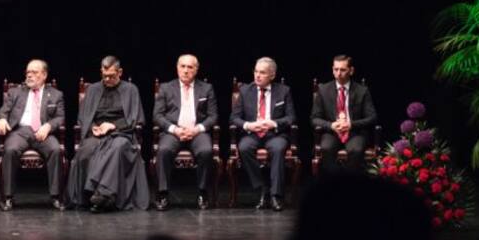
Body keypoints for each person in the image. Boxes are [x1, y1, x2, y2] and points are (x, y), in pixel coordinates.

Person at [66, 56, 149, 212]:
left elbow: (136, 118)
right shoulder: (92, 90)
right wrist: (93, 127)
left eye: (112, 76)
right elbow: (83, 117)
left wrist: (112, 126)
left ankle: (103, 193)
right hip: (97, 134)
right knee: (85, 152)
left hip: (122, 133)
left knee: (117, 148)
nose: (108, 79)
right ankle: (90, 194)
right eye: (104, 76)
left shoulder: (131, 90)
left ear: (120, 72)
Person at [0, 59, 65, 211]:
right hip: (20, 131)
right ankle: (8, 197)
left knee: (56, 150)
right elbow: (2, 111)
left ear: (44, 75)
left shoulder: (56, 95)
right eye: (28, 72)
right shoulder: (16, 92)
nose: (30, 75)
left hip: (43, 132)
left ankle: (55, 196)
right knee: (10, 150)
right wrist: (0, 120)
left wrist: (48, 126)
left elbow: (60, 117)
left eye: (34, 72)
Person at [152, 54, 217, 210]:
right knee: (164, 150)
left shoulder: (206, 88)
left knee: (206, 150)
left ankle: (202, 192)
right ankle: (163, 193)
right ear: (177, 68)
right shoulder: (166, 88)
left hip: (197, 132)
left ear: (196, 69)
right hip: (174, 132)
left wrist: (196, 130)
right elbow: (157, 115)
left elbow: (213, 116)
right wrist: (175, 130)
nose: (186, 70)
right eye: (183, 66)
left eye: (190, 67)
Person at [230, 57, 295, 211]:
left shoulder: (284, 91)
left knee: (278, 149)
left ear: (272, 75)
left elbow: (291, 117)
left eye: (262, 73)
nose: (257, 75)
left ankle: (276, 195)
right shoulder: (245, 90)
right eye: (256, 71)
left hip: (275, 134)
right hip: (252, 134)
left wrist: (274, 123)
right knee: (244, 148)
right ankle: (262, 188)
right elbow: (234, 117)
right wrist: (249, 125)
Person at [311, 54, 377, 174]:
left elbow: (372, 117)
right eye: (336, 69)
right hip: (332, 132)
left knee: (356, 150)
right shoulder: (323, 90)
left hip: (354, 132)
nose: (338, 73)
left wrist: (351, 124)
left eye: (343, 70)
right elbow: (314, 118)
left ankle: (348, 185)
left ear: (351, 71)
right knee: (326, 148)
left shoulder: (362, 91)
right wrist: (331, 125)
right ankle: (335, 184)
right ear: (332, 69)